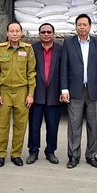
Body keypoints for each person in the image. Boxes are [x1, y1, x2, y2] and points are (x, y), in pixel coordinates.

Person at [60, 14, 97, 169]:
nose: (82, 27)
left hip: (94, 90)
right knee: (74, 125)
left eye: (84, 24)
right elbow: (64, 67)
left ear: (90, 26)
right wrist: (64, 89)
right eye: (79, 24)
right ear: (76, 26)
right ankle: (73, 156)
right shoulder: (68, 43)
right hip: (75, 90)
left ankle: (92, 155)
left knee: (94, 125)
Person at [0, 21, 36, 167]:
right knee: (2, 125)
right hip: (4, 92)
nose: (15, 33)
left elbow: (31, 73)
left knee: (20, 125)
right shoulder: (0, 49)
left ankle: (16, 154)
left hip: (21, 92)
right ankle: (1, 154)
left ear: (21, 33)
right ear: (7, 33)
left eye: (17, 31)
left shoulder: (28, 49)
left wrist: (30, 94)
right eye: (12, 31)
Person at [26, 23, 63, 165]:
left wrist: (63, 90)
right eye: (43, 32)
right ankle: (33, 152)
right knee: (34, 126)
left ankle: (50, 151)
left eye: (49, 32)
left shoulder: (60, 49)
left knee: (53, 126)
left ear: (54, 34)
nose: (46, 34)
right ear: (39, 34)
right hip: (36, 94)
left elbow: (64, 71)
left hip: (54, 94)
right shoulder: (32, 49)